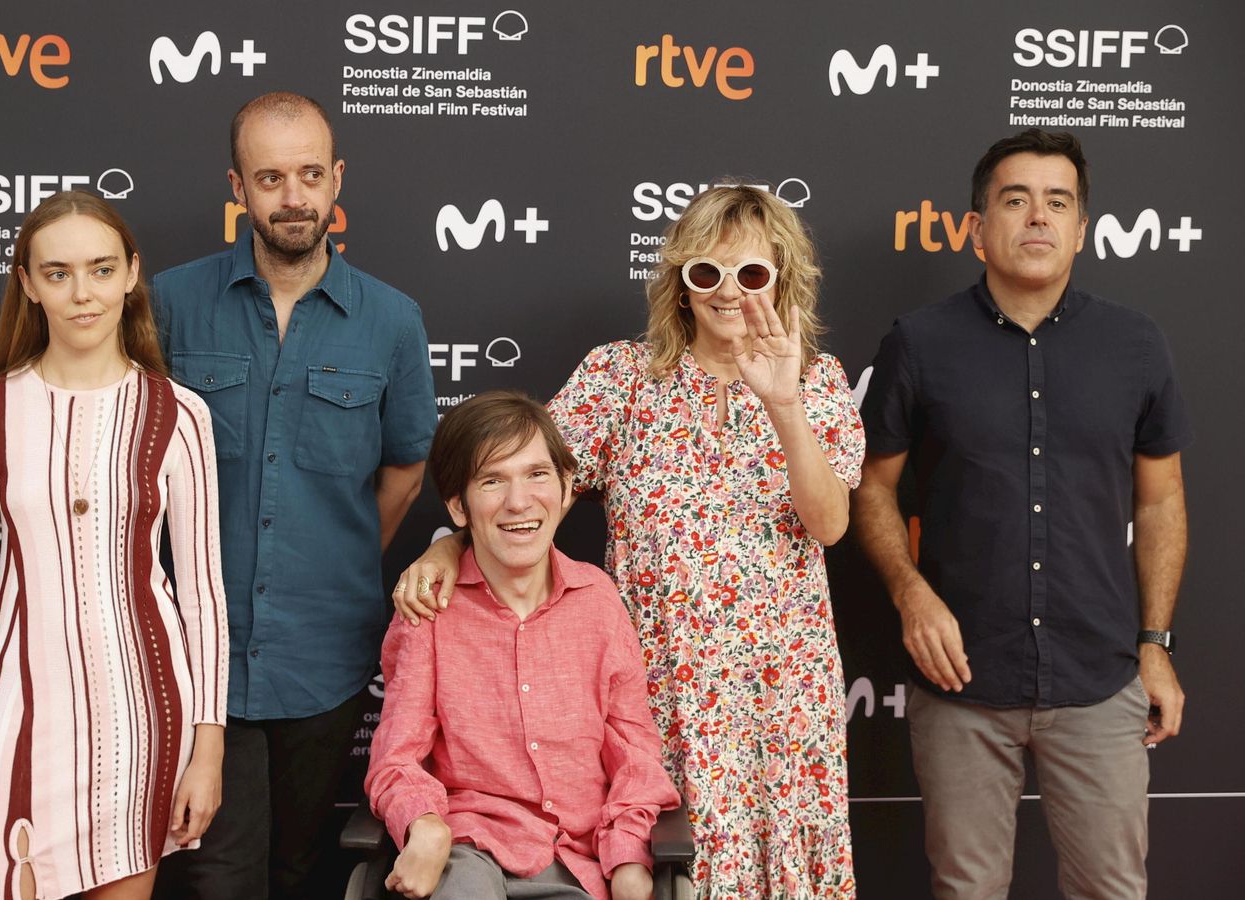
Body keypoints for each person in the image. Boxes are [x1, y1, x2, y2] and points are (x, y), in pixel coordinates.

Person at [395, 186, 864, 898]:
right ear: (680, 282)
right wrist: (442, 546)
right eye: (707, 272)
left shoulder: (819, 383)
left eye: (752, 274)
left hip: (781, 696)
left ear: (783, 280)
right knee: (672, 866)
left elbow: (828, 523)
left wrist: (784, 404)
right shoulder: (623, 378)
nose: (728, 292)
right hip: (659, 688)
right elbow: (522, 488)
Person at [853, 129, 1190, 899]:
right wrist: (910, 593)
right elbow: (871, 488)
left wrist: (1156, 643)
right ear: (976, 229)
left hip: (1101, 681)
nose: (1037, 217)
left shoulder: (1136, 345)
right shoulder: (920, 343)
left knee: (1113, 888)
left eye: (1057, 202)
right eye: (1015, 199)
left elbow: (1162, 498)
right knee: (966, 889)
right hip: (961, 682)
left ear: (1080, 228)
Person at [152, 91, 437, 899]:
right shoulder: (171, 304)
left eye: (311, 174)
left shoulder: (391, 319)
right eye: (271, 177)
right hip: (202, 652)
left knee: (303, 870)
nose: (294, 197)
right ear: (238, 187)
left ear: (336, 178)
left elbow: (406, 469)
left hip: (327, 650)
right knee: (220, 876)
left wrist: (335, 558)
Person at [0, 191, 229, 900]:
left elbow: (202, 594)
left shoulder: (180, 413)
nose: (82, 293)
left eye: (100, 270)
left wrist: (207, 749)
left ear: (131, 274)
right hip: (16, 714)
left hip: (143, 718)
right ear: (29, 284)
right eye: (58, 273)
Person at [367, 391, 680, 900]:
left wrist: (628, 859)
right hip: (470, 851)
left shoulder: (598, 600)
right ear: (458, 507)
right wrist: (424, 824)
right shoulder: (429, 610)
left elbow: (635, 754)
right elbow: (395, 757)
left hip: (576, 861)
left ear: (565, 488)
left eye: (537, 475)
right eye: (492, 481)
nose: (519, 501)